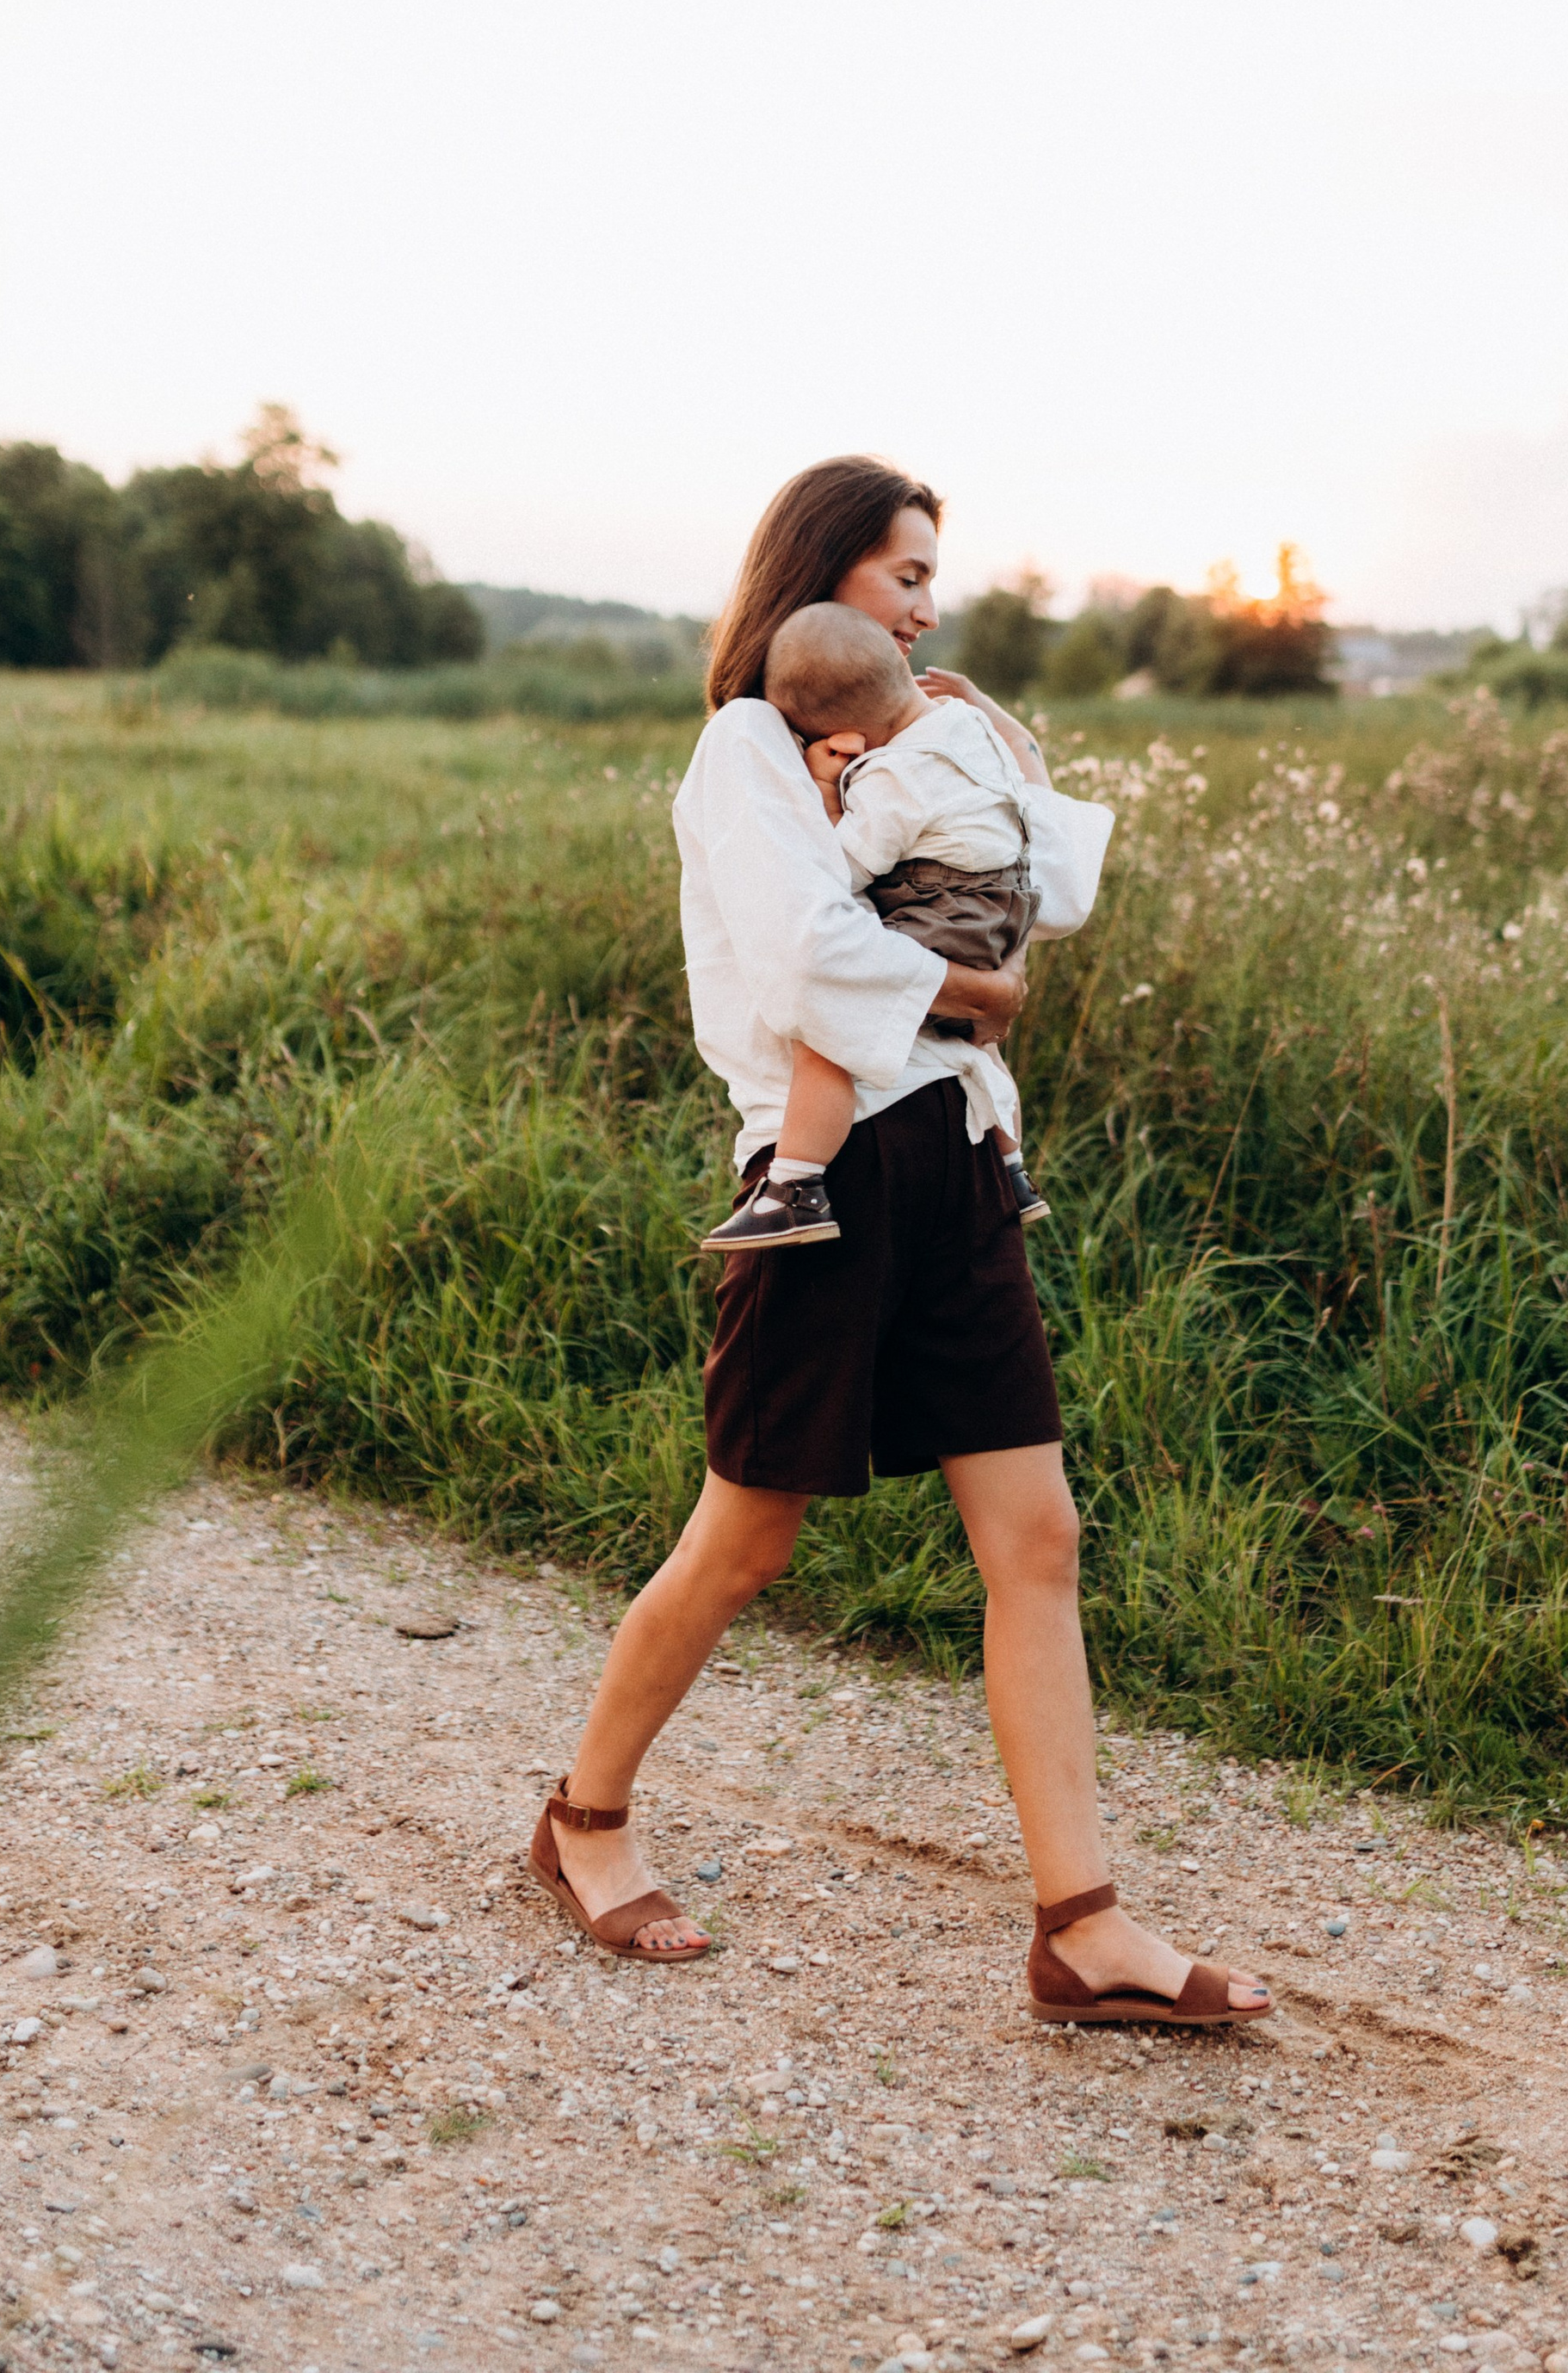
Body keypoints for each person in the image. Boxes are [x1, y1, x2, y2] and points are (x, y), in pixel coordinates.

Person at [526, 454, 1271, 2033]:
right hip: (835, 1166)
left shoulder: (918, 740)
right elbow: (807, 957)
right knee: (749, 1541)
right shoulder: (746, 748)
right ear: (817, 579)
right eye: (903, 577)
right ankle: (584, 1819)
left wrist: (995, 737)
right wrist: (975, 995)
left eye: (935, 578)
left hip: (965, 1159)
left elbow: (1048, 888)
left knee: (1038, 1538)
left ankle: (1082, 1927)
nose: (929, 605)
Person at [697, 599, 1047, 1252]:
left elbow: (842, 867)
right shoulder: (965, 725)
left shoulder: (897, 772)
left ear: (853, 733)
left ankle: (794, 1187)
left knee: (833, 1023)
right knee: (977, 1038)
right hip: (1007, 905)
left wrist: (828, 793)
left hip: (951, 904)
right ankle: (1011, 1168)